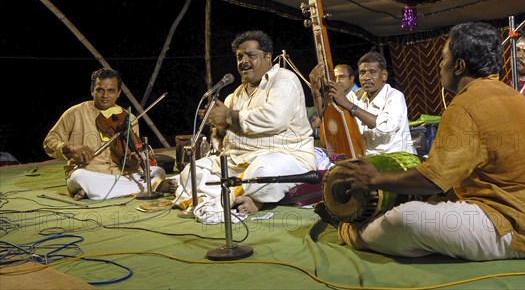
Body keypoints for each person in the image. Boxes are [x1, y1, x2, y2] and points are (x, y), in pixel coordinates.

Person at [317, 22, 525, 261]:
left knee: (406, 218)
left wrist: (373, 179)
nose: (440, 66)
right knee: (431, 209)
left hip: (515, 224)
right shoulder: (511, 96)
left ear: (458, 66)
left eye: (443, 58)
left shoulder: (465, 105)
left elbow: (431, 180)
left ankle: (350, 231)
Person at [174, 30, 315, 220]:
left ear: (267, 57)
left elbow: (274, 119)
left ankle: (241, 198)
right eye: (240, 57)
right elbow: (224, 138)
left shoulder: (284, 79)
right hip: (238, 162)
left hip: (284, 156)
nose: (243, 61)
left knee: (262, 172)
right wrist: (217, 125)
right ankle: (239, 198)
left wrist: (229, 117)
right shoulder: (235, 95)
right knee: (191, 171)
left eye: (251, 55)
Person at [43, 68, 176, 201]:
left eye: (111, 91)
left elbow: (131, 156)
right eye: (100, 90)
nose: (105, 95)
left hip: (121, 175)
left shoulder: (129, 118)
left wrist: (132, 161)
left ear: (118, 93)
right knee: (79, 177)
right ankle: (152, 186)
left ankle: (94, 192)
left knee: (158, 171)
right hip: (89, 174)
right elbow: (49, 142)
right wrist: (70, 147)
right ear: (92, 91)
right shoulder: (75, 113)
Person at [310, 52, 416, 155]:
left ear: (384, 75)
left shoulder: (395, 96)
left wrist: (349, 105)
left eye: (372, 72)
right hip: (366, 157)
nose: (366, 77)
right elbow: (328, 116)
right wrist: (316, 94)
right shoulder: (355, 95)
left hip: (395, 156)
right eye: (362, 72)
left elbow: (384, 127)